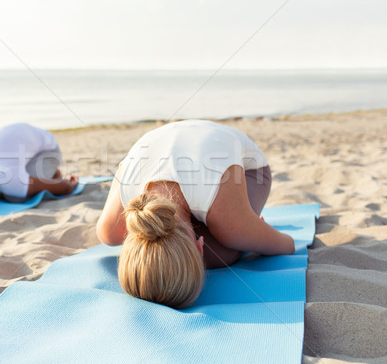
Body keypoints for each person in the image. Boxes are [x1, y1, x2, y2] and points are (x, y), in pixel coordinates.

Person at [96, 120, 294, 309]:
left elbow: (287, 244)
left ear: (199, 247)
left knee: (221, 252)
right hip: (180, 141)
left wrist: (251, 232)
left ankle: (243, 229)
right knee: (224, 243)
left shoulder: (229, 220)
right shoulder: (112, 228)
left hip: (250, 170)